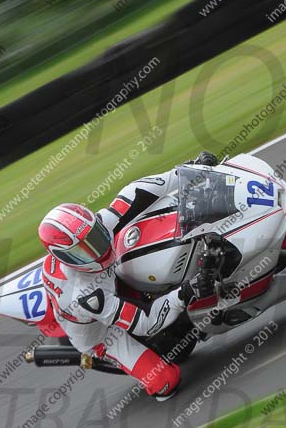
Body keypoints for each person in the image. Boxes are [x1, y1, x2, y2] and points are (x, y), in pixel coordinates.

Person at [38, 151, 219, 401]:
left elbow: (136, 191)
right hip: (103, 332)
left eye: (94, 237)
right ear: (65, 258)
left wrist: (188, 171)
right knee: (166, 383)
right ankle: (101, 356)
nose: (97, 249)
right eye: (82, 251)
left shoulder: (98, 226)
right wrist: (186, 292)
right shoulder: (87, 296)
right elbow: (146, 322)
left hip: (112, 282)